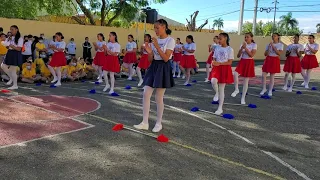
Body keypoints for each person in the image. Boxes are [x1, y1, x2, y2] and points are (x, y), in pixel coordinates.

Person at [134, 19, 175, 133]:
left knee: (158, 97)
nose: (155, 30)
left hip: (163, 67)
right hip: (154, 67)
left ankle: (158, 123)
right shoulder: (153, 42)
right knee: (146, 93)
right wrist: (149, 52)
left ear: (164, 27)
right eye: (154, 28)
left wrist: (156, 46)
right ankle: (145, 122)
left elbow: (166, 58)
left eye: (157, 28)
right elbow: (151, 59)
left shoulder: (170, 40)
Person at [209, 33, 234, 115]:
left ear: (225, 38)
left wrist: (219, 63)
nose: (219, 40)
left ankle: (220, 108)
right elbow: (214, 58)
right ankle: (217, 93)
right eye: (218, 39)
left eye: (220, 39)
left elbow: (229, 62)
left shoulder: (230, 49)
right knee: (213, 81)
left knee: (222, 88)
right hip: (217, 68)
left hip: (224, 68)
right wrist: (213, 62)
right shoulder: (217, 48)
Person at [231, 32, 257, 104]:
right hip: (242, 61)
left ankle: (243, 98)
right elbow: (238, 56)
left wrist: (245, 48)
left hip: (249, 62)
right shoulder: (242, 45)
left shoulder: (254, 45)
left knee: (246, 81)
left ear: (251, 38)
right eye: (245, 37)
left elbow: (251, 55)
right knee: (235, 74)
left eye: (247, 37)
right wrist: (241, 48)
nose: (246, 38)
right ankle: (236, 89)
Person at [1, 25, 24, 90]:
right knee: (3, 66)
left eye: (12, 29)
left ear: (17, 29)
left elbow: (19, 49)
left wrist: (11, 45)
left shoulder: (20, 38)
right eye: (10, 29)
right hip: (9, 53)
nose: (11, 31)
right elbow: (7, 45)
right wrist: (6, 44)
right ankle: (11, 78)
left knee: (12, 70)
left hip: (15, 54)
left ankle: (15, 85)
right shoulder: (10, 37)